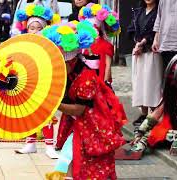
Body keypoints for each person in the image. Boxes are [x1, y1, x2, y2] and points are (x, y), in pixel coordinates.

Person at [44, 21, 127, 180]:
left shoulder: (86, 78)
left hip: (94, 124)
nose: (56, 67)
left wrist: (54, 104)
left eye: (59, 64)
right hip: (78, 124)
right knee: (71, 159)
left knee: (88, 164)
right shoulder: (66, 73)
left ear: (70, 61)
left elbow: (79, 109)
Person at [13, 4, 61, 159]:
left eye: (38, 28)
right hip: (29, 81)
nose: (35, 31)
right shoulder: (23, 43)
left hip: (46, 82)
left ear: (46, 28)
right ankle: (30, 143)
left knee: (46, 113)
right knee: (29, 112)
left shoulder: (51, 46)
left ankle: (49, 145)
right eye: (31, 28)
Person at [128, 0, 162, 126]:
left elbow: (157, 32)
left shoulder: (159, 12)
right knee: (139, 82)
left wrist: (143, 42)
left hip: (151, 52)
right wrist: (137, 42)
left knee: (152, 83)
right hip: (138, 52)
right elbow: (131, 29)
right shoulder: (138, 11)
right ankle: (143, 113)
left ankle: (153, 114)